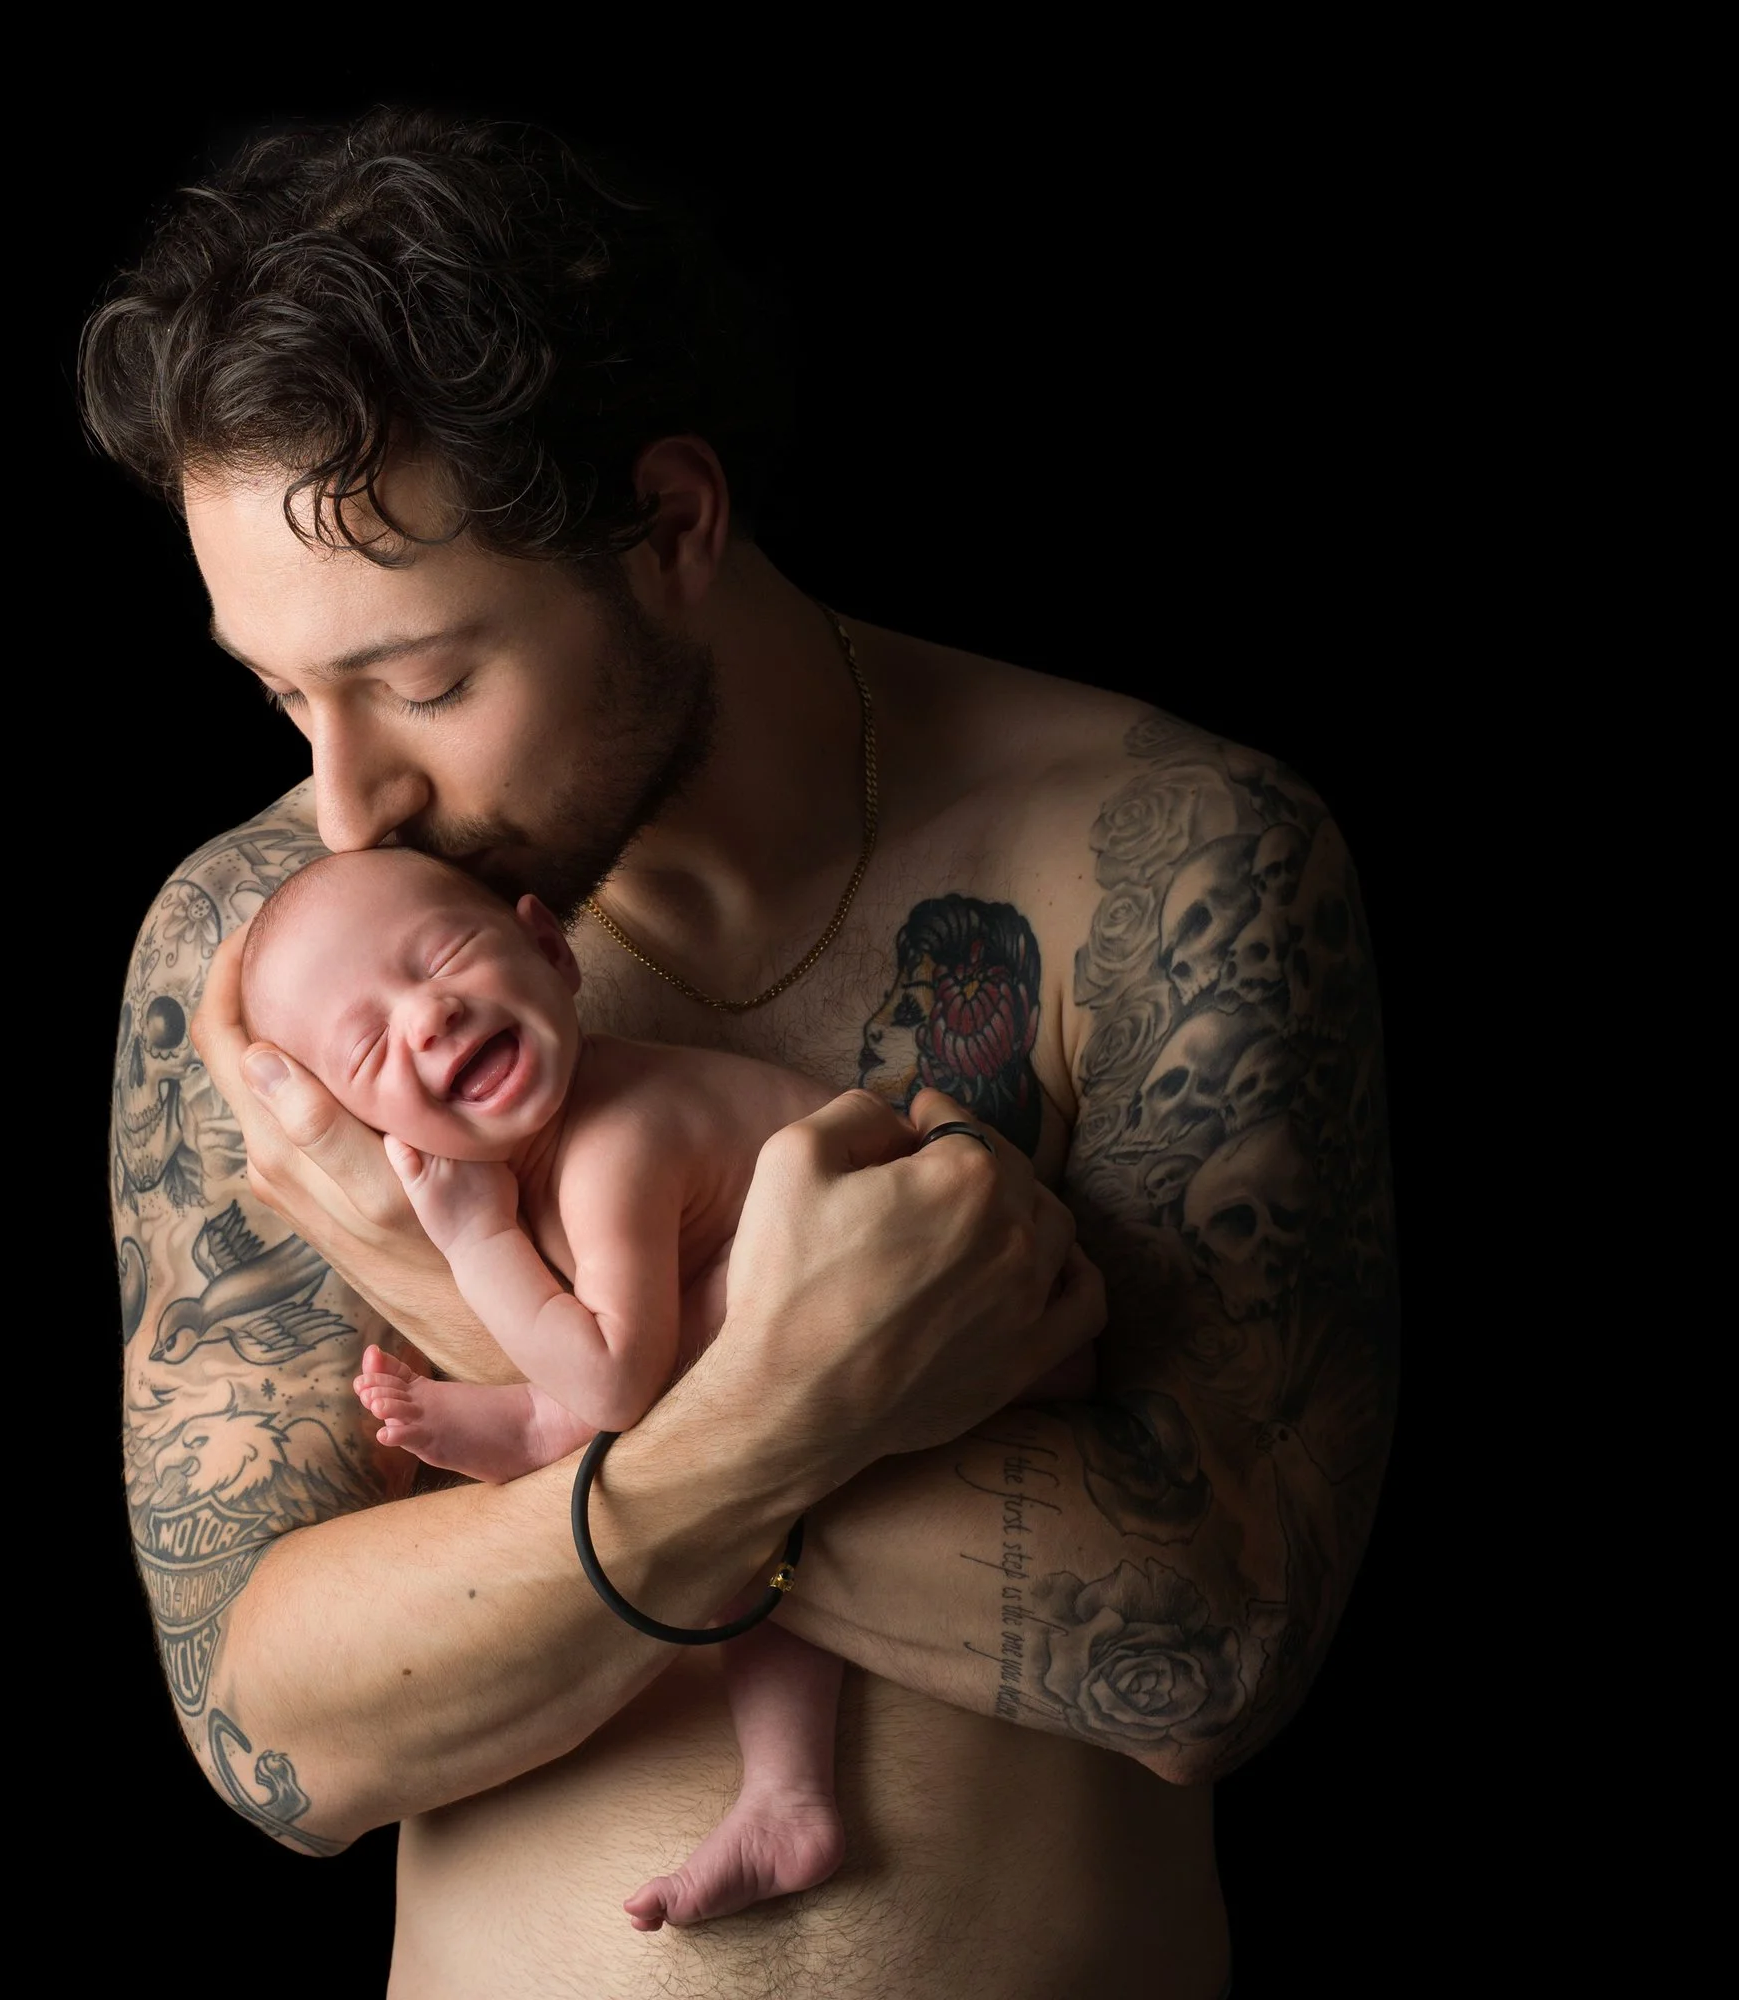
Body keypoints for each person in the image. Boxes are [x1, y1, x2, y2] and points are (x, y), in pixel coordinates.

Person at [93, 105, 1396, 1999]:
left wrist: (512, 1343)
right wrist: (767, 1397)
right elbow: (279, 1736)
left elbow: (1200, 1656)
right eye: (286, 691)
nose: (346, 800)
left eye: (426, 679)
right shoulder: (272, 974)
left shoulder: (1162, 863)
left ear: (675, 524)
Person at [235, 841, 1106, 1931]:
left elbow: (617, 1384)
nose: (429, 1015)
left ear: (550, 949)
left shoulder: (615, 1140)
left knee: (683, 1441)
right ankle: (789, 1797)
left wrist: (473, 1241)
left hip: (992, 1341)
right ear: (370, 1140)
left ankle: (536, 1430)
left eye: (446, 954)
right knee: (736, 1494)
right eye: (367, 1048)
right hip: (850, 1371)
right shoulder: (567, 1140)